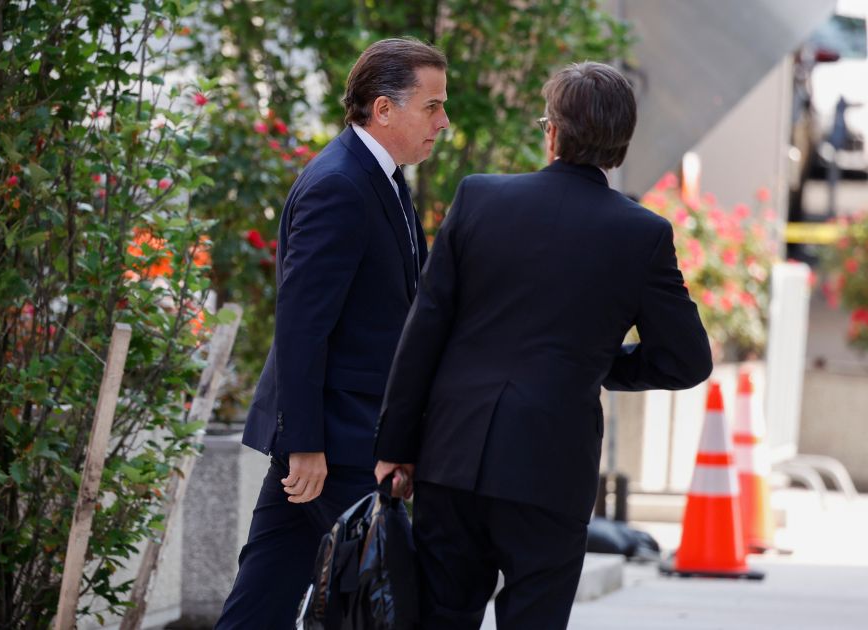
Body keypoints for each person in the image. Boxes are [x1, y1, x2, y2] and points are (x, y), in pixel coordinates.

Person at [374, 62, 712, 629]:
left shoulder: (479, 199)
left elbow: (423, 331)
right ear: (621, 146)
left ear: (552, 132)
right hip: (550, 466)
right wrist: (597, 366)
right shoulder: (641, 234)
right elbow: (687, 359)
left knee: (440, 618)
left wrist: (395, 446)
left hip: (453, 455)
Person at [217, 38, 449, 629]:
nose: (443, 121)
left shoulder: (383, 178)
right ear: (383, 109)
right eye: (432, 106)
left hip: (346, 438)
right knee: (386, 606)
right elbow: (301, 326)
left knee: (263, 600)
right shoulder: (340, 185)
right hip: (333, 444)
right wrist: (304, 445)